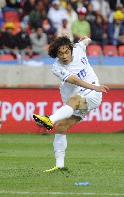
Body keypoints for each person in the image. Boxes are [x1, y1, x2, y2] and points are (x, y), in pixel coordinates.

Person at [32, 36, 109, 172]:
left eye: (67, 52)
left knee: (74, 101)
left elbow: (86, 41)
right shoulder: (56, 67)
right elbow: (75, 80)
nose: (64, 56)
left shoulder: (79, 48)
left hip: (93, 94)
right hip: (79, 99)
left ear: (71, 49)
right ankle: (60, 165)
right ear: (56, 54)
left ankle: (49, 120)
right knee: (61, 126)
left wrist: (86, 39)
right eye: (60, 53)